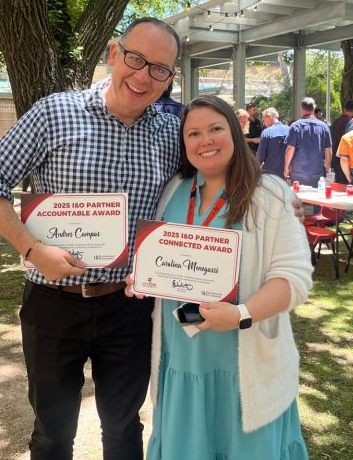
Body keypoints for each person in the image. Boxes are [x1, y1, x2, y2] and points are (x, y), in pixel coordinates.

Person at [0, 17, 184, 460]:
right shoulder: (54, 113)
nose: (142, 76)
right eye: (135, 59)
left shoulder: (171, 134)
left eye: (158, 68)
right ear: (113, 54)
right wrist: (30, 247)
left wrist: (273, 199)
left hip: (131, 308)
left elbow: (219, 177)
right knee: (52, 432)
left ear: (170, 79)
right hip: (52, 304)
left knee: (124, 427)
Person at [131, 95, 312, 460]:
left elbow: (294, 279)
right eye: (193, 133)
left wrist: (242, 313)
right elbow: (164, 259)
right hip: (182, 360)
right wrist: (144, 276)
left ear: (235, 130)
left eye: (215, 128)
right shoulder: (172, 193)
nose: (205, 140)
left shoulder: (271, 194)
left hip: (244, 363)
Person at [283, 97, 332, 187]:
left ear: (301, 109)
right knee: (314, 199)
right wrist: (328, 167)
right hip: (317, 171)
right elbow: (328, 149)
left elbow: (290, 149)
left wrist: (286, 167)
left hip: (298, 172)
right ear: (314, 109)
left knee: (299, 197)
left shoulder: (295, 126)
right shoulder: (324, 126)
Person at [329, 100, 353, 183]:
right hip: (344, 159)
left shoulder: (335, 121)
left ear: (345, 109)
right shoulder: (350, 124)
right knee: (346, 184)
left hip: (334, 157)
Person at [256, 107, 290, 177]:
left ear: (269, 117)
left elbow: (260, 156)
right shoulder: (289, 130)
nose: (263, 123)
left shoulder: (266, 132)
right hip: (287, 173)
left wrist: (255, 169)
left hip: (270, 174)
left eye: (263, 120)